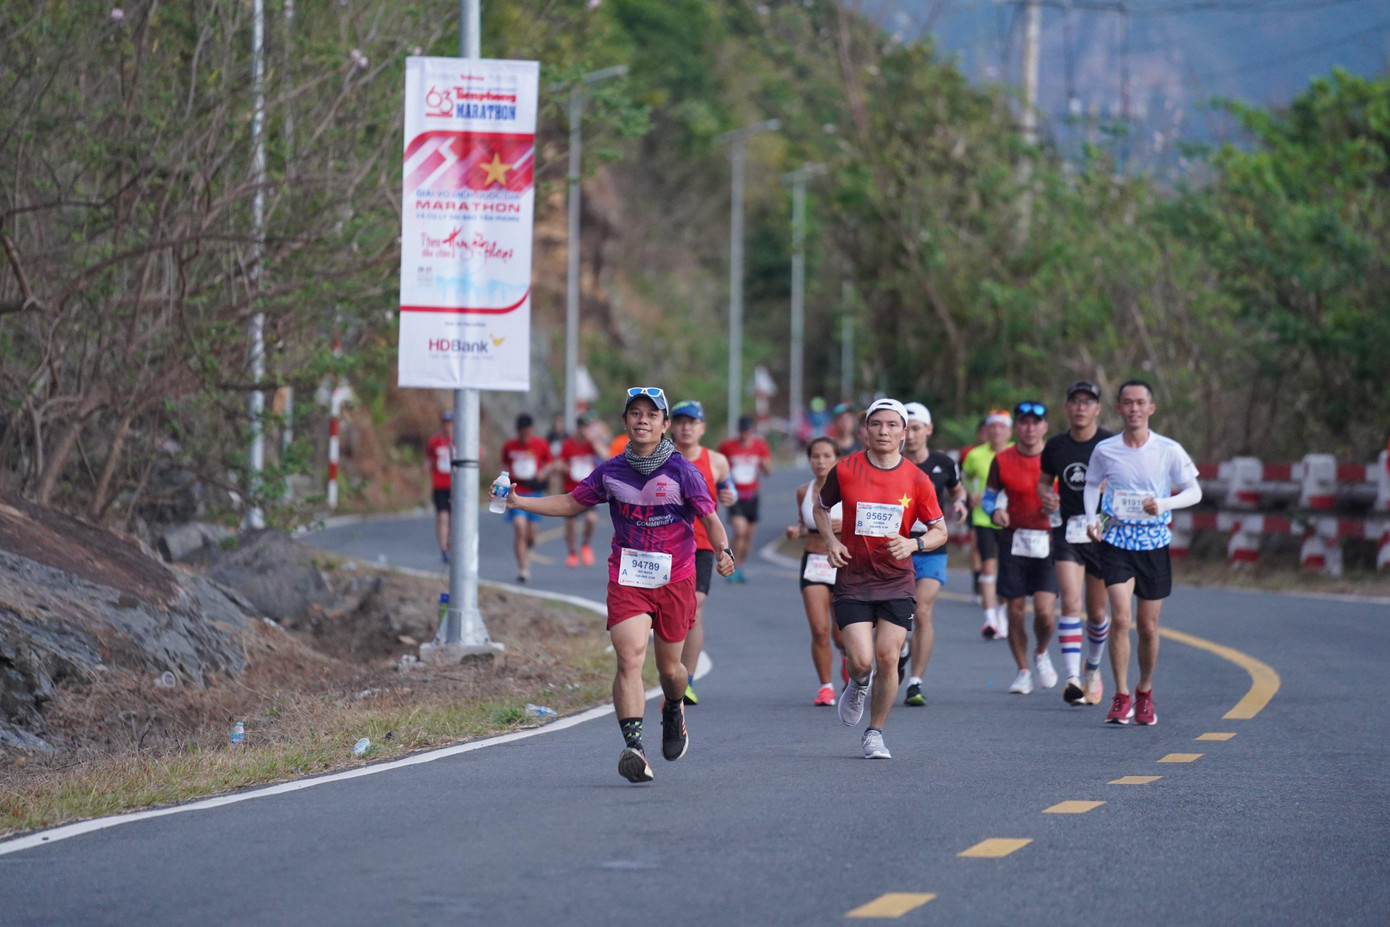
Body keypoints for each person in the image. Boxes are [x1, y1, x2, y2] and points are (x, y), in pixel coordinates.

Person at [503, 387, 735, 782]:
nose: (642, 420)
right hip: (627, 577)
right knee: (629, 656)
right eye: (635, 413)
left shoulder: (683, 471)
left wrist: (724, 549)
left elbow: (710, 518)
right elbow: (572, 502)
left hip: (675, 578)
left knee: (670, 671)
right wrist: (519, 501)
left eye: (651, 414)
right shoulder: (610, 471)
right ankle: (634, 747)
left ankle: (673, 707)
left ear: (664, 425)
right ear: (625, 422)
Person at [816, 398, 947, 760]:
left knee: (888, 657)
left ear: (904, 433)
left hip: (896, 579)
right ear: (866, 430)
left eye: (892, 425)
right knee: (861, 660)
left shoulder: (918, 480)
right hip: (854, 578)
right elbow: (821, 508)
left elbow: (941, 530)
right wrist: (831, 541)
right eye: (877, 424)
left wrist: (914, 543)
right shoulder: (845, 470)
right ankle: (858, 683)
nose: (884, 431)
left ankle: (875, 733)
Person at [1085, 379, 1202, 726]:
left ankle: (1144, 691)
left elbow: (1194, 491)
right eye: (1127, 403)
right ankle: (1120, 696)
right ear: (1118, 409)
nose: (1133, 408)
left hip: (1154, 544)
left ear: (1151, 409)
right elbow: (1092, 484)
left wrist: (1164, 503)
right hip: (1116, 542)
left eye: (1140, 403)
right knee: (1120, 618)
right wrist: (1093, 518)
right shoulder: (1106, 450)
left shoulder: (1168, 449)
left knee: (1148, 627)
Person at [1038, 381, 1114, 706]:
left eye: (1088, 402)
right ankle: (1072, 679)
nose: (1081, 407)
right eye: (1075, 401)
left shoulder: (1111, 444)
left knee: (1097, 613)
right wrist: (1047, 498)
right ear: (1067, 407)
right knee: (1070, 603)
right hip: (1067, 531)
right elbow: (1043, 483)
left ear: (1097, 408)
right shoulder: (1055, 446)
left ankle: (1092, 670)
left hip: (1102, 534)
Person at [983, 401, 1059, 695]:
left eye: (1035, 423)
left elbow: (1079, 495)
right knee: (1015, 611)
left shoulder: (1056, 458)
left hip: (1049, 541)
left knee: (1044, 612)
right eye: (1024, 422)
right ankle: (1023, 670)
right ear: (1017, 427)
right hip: (1013, 540)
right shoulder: (1002, 460)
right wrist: (994, 512)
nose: (1029, 428)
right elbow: (989, 496)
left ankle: (1041, 652)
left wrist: (1059, 505)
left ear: (1044, 427)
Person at [900, 402, 970, 706]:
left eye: (917, 428)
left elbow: (957, 490)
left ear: (928, 430)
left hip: (932, 548)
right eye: (907, 429)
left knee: (923, 612)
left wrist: (960, 503)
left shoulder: (943, 463)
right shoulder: (891, 464)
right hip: (896, 549)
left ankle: (915, 682)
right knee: (898, 616)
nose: (911, 435)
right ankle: (900, 650)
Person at [669, 400, 737, 705]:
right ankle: (670, 671)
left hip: (702, 544)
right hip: (665, 543)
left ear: (702, 428)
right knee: (669, 612)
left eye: (692, 422)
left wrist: (729, 493)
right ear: (671, 425)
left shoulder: (717, 460)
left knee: (694, 609)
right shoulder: (661, 457)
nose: (686, 427)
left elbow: (728, 488)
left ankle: (688, 681)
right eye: (680, 421)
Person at [785, 436, 846, 706]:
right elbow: (803, 523)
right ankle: (826, 687)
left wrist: (840, 524)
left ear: (837, 458)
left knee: (841, 632)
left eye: (826, 456)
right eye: (815, 456)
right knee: (819, 629)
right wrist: (795, 530)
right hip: (814, 562)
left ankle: (849, 665)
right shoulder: (803, 491)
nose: (820, 461)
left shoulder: (849, 488)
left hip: (844, 563)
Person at [962, 410, 1013, 639]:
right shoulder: (975, 455)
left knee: (1007, 571)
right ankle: (990, 618)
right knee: (989, 567)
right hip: (984, 518)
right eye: (993, 427)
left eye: (1002, 427)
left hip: (1011, 519)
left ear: (1009, 431)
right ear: (987, 430)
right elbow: (963, 477)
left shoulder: (1016, 453)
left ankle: (1001, 612)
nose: (997, 431)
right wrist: (970, 494)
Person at [718, 416, 772, 582]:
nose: (745, 435)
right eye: (742, 432)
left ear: (752, 432)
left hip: (752, 496)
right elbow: (719, 467)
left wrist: (764, 464)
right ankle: (732, 565)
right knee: (739, 530)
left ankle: (740, 565)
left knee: (748, 535)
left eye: (748, 432)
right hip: (735, 496)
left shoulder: (760, 446)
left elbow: (768, 471)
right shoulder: (727, 447)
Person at [500, 413, 553, 583]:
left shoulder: (540, 444)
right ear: (518, 431)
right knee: (519, 526)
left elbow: (550, 463)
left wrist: (543, 472)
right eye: (521, 432)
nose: (525, 435)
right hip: (516, 490)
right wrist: (502, 486)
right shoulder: (509, 446)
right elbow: (504, 466)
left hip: (534, 491)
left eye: (527, 431)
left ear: (531, 430)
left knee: (531, 533)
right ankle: (522, 567)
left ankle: (527, 546)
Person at [558, 416, 601, 569]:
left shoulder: (592, 444)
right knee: (570, 523)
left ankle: (586, 545)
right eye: (581, 427)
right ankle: (571, 552)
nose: (584, 430)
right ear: (577, 428)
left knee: (591, 519)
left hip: (589, 489)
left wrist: (594, 441)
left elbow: (606, 456)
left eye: (586, 427)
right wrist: (563, 468)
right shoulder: (568, 444)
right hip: (571, 489)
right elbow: (559, 462)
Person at [426, 410, 455, 564]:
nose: (447, 426)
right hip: (440, 486)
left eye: (450, 423)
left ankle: (454, 545)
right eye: (445, 423)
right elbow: (429, 459)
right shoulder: (434, 442)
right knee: (442, 517)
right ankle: (444, 549)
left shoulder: (461, 440)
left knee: (454, 519)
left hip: (457, 487)